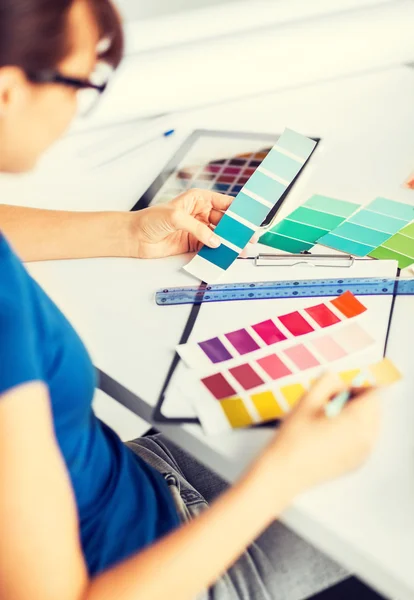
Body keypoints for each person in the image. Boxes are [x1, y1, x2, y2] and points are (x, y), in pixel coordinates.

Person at [0, 1, 380, 599]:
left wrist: (128, 233)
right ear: (7, 91)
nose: (78, 109)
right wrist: (285, 475)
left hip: (126, 486)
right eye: (83, 83)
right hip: (161, 567)